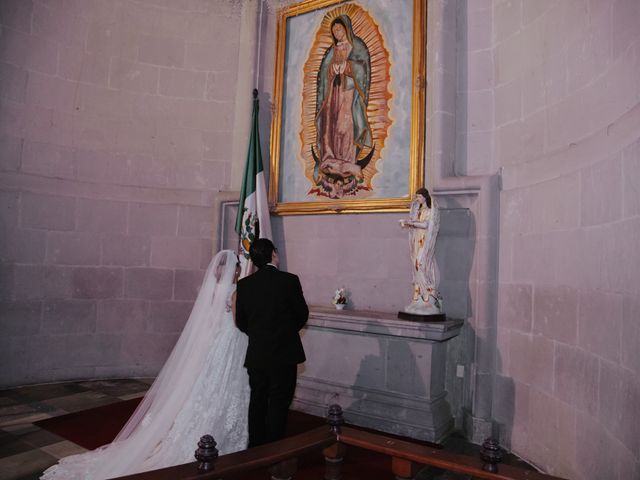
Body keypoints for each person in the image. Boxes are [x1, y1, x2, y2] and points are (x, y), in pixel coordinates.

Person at [41, 250, 249, 479]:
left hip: (213, 344)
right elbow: (238, 322)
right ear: (235, 269)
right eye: (237, 268)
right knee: (223, 386)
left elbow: (209, 321)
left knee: (205, 388)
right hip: (230, 342)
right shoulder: (235, 291)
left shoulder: (211, 291)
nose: (238, 271)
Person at [235, 238, 309, 447]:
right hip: (284, 353)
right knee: (279, 401)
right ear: (274, 255)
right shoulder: (290, 280)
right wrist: (284, 332)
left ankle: (256, 445)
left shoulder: (244, 285)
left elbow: (241, 322)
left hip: (257, 353)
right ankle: (275, 449)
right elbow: (302, 314)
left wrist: (260, 334)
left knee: (257, 400)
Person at [314, 14, 372, 198]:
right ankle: (330, 157)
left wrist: (348, 67)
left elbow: (363, 70)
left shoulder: (358, 47)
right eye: (334, 31)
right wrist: (331, 70)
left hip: (349, 92)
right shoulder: (331, 51)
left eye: (339, 29)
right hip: (332, 94)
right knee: (329, 125)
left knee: (344, 126)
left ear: (346, 28)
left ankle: (347, 159)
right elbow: (322, 75)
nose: (337, 33)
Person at [399, 188, 443, 315]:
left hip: (425, 240)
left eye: (419, 197)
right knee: (415, 266)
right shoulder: (419, 210)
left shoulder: (430, 210)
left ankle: (429, 294)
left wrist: (410, 222)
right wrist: (408, 224)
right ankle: (419, 296)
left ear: (424, 197)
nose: (417, 199)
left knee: (421, 264)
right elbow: (417, 224)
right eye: (416, 197)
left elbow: (426, 225)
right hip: (417, 239)